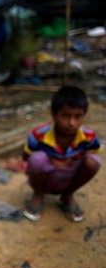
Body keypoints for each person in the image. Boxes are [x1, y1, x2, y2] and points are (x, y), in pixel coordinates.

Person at [21, 86, 102, 222]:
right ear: (54, 115)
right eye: (65, 116)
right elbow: (26, 157)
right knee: (37, 159)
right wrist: (52, 160)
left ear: (84, 115)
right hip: (46, 176)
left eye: (78, 116)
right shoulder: (38, 134)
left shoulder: (89, 136)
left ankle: (67, 195)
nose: (72, 123)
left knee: (94, 161)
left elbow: (90, 154)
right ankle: (38, 194)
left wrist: (71, 161)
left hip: (69, 176)